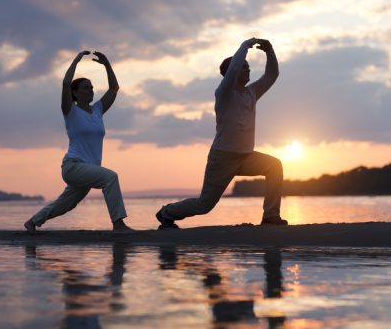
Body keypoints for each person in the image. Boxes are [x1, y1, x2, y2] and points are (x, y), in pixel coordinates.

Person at [156, 38, 287, 229]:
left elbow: (272, 75)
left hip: (246, 156)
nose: (248, 69)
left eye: (248, 66)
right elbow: (233, 70)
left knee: (274, 166)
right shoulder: (224, 93)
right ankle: (166, 213)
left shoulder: (252, 93)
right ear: (230, 74)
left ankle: (270, 217)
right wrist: (245, 46)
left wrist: (269, 50)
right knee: (204, 205)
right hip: (222, 158)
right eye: (244, 67)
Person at [24, 50, 133, 233]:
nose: (90, 91)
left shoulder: (98, 109)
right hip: (74, 166)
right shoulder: (70, 111)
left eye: (91, 87)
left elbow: (114, 89)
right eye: (85, 88)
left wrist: (107, 64)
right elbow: (66, 83)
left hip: (87, 169)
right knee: (110, 177)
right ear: (74, 93)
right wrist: (76, 60)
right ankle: (118, 224)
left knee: (66, 204)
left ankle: (33, 222)